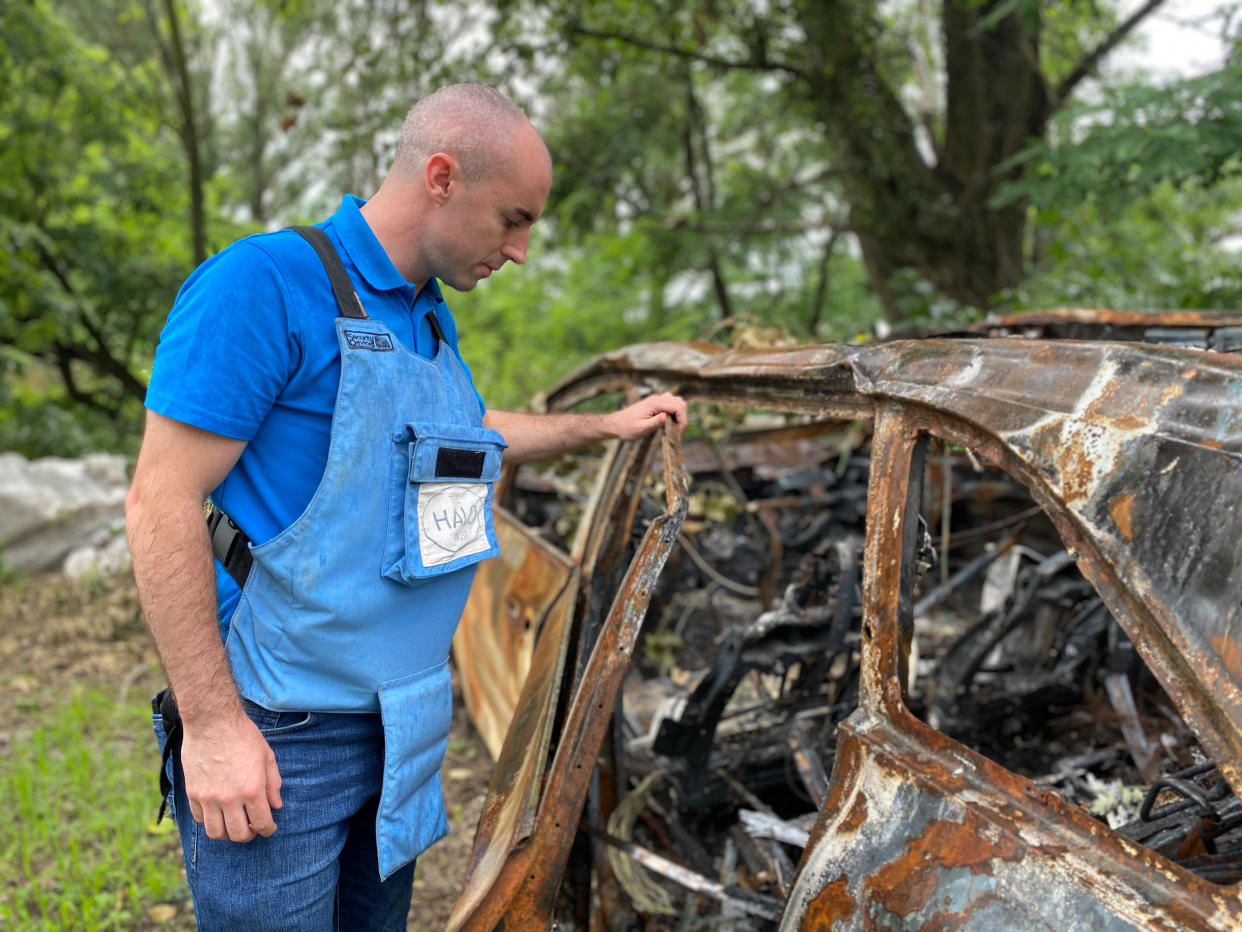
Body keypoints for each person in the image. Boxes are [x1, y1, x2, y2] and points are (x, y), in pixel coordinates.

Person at [125, 82, 686, 931]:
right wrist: (211, 725)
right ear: (441, 176)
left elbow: (463, 429)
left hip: (403, 727)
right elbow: (159, 500)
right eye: (513, 219)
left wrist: (601, 426)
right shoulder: (264, 283)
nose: (523, 249)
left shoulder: (429, 320)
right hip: (283, 734)